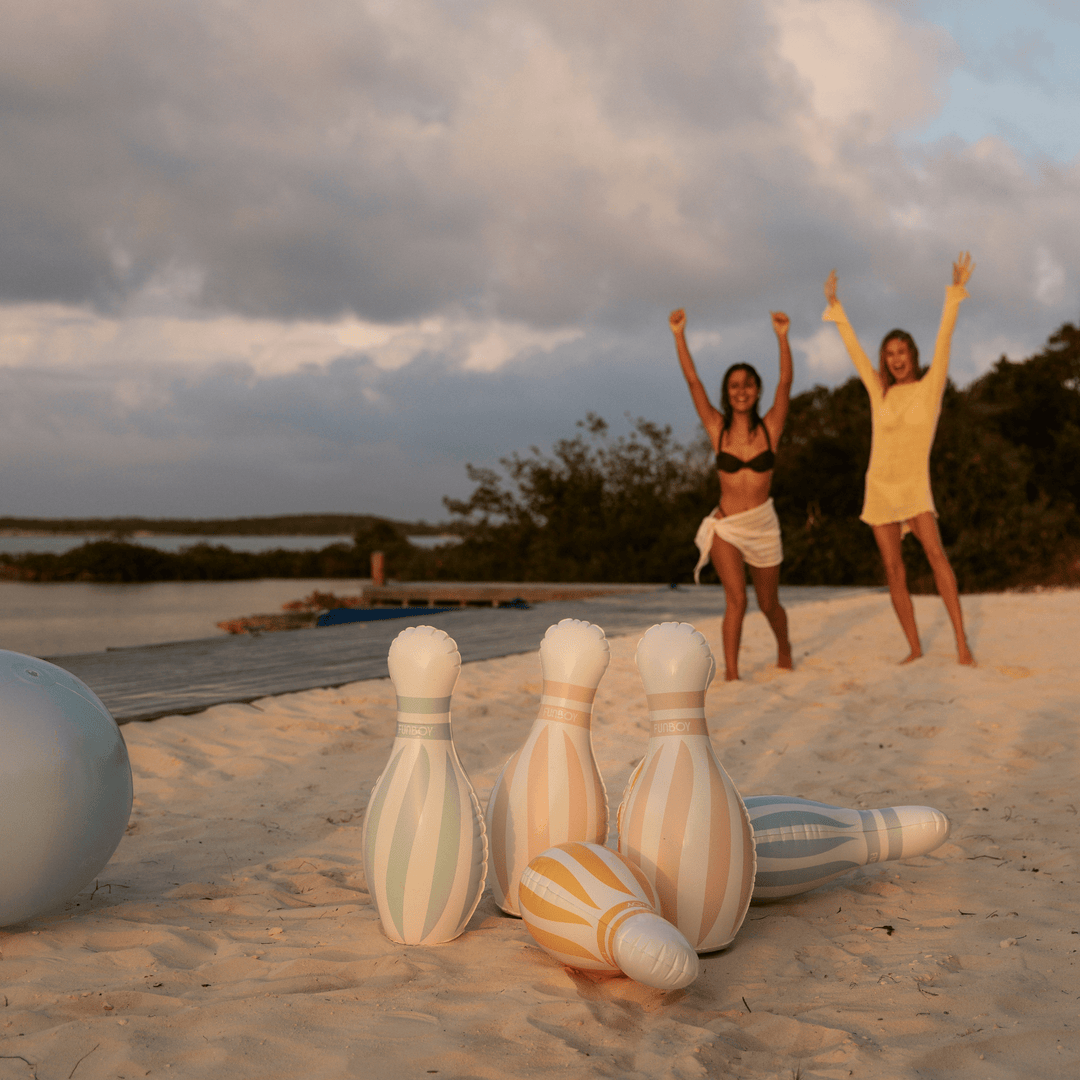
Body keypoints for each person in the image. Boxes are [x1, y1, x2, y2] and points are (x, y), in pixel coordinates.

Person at [822, 252, 976, 666]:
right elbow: (855, 352)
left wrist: (955, 292)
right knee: (892, 569)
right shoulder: (880, 391)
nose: (896, 357)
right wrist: (837, 309)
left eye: (902, 350)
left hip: (913, 484)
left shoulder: (930, 388)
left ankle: (962, 643)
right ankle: (914, 647)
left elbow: (945, 337)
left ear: (913, 354)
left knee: (936, 555)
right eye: (889, 352)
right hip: (881, 487)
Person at [670, 307, 794, 680]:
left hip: (762, 525)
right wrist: (679, 335)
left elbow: (786, 383)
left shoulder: (770, 427)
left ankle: (784, 648)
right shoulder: (717, 428)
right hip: (726, 526)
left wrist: (782, 337)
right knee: (736, 600)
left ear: (757, 391)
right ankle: (732, 674)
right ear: (728, 392)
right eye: (735, 385)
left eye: (748, 385)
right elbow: (693, 383)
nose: (742, 391)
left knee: (769, 603)